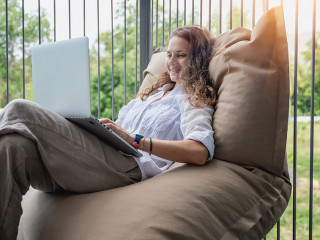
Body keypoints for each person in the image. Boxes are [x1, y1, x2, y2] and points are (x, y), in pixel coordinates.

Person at [0, 25, 216, 240]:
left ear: (197, 59)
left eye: (181, 55)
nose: (171, 62)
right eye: (169, 55)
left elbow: (199, 150)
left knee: (17, 108)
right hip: (104, 155)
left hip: (129, 165)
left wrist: (135, 140)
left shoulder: (193, 98)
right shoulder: (151, 94)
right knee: (12, 144)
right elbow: (120, 130)